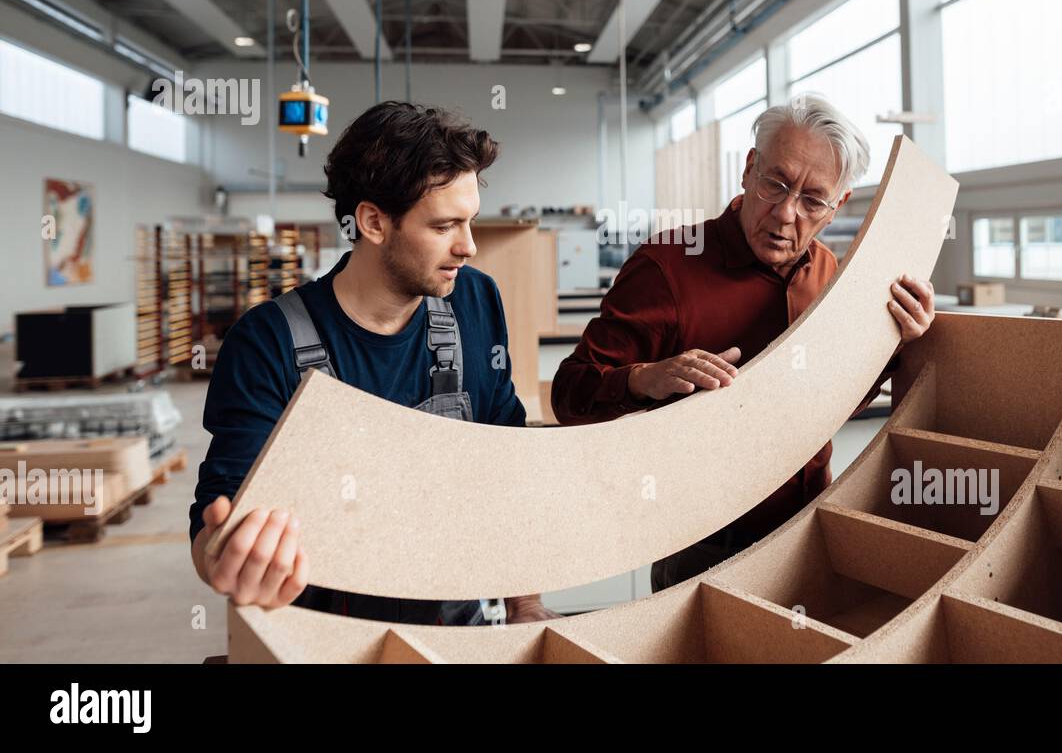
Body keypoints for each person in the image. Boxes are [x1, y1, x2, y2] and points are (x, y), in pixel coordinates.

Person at [189, 101, 558, 625]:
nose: (469, 246)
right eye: (445, 226)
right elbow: (215, 524)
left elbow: (505, 467)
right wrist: (225, 556)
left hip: (461, 633)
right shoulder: (267, 341)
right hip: (326, 642)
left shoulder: (476, 301)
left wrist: (525, 604)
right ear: (373, 222)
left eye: (470, 221)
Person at [550, 94, 936, 591]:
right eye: (775, 184)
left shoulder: (831, 274)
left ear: (838, 205)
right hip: (702, 544)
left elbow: (834, 400)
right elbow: (570, 396)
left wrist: (895, 344)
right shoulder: (665, 267)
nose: (784, 214)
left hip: (805, 527)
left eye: (812, 200)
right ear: (749, 169)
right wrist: (647, 378)